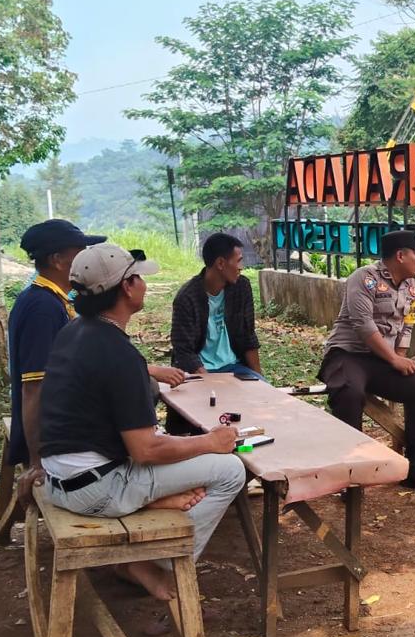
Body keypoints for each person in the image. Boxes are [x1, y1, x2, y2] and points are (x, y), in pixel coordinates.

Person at [39, 242, 245, 600]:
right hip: (95, 488)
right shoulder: (120, 354)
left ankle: (149, 504)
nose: (144, 285)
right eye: (138, 277)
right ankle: (159, 563)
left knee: (183, 454)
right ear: (126, 287)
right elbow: (145, 450)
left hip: (59, 480)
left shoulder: (74, 332)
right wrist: (210, 442)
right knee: (231, 471)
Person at [318, 229, 415, 492]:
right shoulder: (363, 278)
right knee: (349, 392)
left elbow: (407, 324)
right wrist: (394, 360)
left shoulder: (411, 286)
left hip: (381, 359)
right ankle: (349, 470)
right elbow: (362, 325)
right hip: (347, 354)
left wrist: (399, 359)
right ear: (400, 256)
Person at [7, 220, 106, 480]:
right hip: (53, 441)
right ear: (58, 261)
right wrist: (37, 461)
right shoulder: (42, 309)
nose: (86, 261)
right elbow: (34, 388)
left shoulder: (52, 300)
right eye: (80, 254)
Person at [171, 232, 263, 380]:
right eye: (238, 261)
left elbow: (248, 336)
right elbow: (183, 350)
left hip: (234, 367)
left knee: (262, 390)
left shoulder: (241, 287)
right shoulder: (187, 298)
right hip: (200, 371)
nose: (241, 267)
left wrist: (260, 380)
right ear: (220, 263)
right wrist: (209, 382)